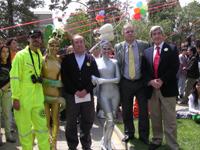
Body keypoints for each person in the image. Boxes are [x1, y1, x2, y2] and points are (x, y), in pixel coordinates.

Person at [10, 30, 50, 150]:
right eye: (33, 37)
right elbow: (14, 77)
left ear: (41, 41)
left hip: (38, 100)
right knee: (25, 131)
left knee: (43, 129)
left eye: (38, 38)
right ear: (29, 39)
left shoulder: (39, 55)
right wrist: (15, 98)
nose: (36, 39)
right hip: (23, 100)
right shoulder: (20, 55)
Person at [143, 26, 179, 150]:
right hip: (152, 90)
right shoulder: (147, 52)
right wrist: (150, 81)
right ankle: (157, 139)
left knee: (170, 119)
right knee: (155, 117)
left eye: (159, 33)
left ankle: (172, 144)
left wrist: (162, 80)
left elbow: (174, 68)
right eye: (154, 34)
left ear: (163, 35)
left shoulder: (172, 49)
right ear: (151, 37)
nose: (157, 36)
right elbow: (145, 70)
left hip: (167, 89)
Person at [61, 34, 100, 150]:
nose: (79, 44)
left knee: (88, 120)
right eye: (76, 42)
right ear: (73, 45)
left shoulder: (91, 59)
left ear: (84, 44)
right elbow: (65, 78)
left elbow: (96, 77)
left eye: (81, 42)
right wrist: (75, 91)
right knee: (71, 123)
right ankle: (72, 145)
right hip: (72, 96)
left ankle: (86, 144)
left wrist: (86, 90)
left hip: (87, 96)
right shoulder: (67, 60)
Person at [114, 23, 150, 144]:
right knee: (127, 110)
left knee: (143, 111)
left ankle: (144, 135)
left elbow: (148, 64)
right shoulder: (118, 46)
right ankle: (129, 133)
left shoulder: (144, 45)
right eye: (127, 31)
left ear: (135, 32)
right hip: (125, 83)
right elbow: (117, 65)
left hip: (141, 83)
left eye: (132, 31)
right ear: (123, 34)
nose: (130, 33)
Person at [92, 41, 120, 150]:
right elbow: (93, 77)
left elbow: (118, 79)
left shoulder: (114, 62)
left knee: (111, 120)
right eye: (104, 48)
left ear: (111, 49)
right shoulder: (96, 62)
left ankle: (106, 140)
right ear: (100, 49)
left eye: (108, 48)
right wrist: (94, 79)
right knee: (110, 120)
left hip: (115, 94)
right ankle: (106, 143)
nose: (106, 50)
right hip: (103, 95)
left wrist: (102, 80)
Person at [42, 37, 65, 150]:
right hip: (44, 96)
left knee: (56, 120)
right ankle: (47, 143)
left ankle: (54, 144)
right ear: (48, 45)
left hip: (56, 96)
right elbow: (40, 79)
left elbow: (61, 82)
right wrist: (52, 82)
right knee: (45, 121)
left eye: (56, 45)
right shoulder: (42, 60)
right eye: (52, 44)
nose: (54, 47)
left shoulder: (60, 60)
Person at [0, 45, 16, 146]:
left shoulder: (11, 65)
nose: (5, 54)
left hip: (6, 92)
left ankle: (8, 135)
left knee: (7, 115)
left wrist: (4, 88)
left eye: (7, 52)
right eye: (3, 52)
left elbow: (13, 78)